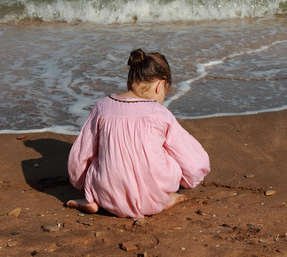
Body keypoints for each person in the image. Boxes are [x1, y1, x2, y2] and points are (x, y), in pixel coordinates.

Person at [66, 49, 210, 218]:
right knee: (169, 154)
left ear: (130, 82)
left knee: (102, 160)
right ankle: (166, 198)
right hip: (152, 197)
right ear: (159, 85)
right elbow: (193, 163)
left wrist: (82, 185)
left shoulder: (103, 106)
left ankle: (93, 199)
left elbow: (80, 156)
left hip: (108, 194)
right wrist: (189, 180)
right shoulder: (160, 113)